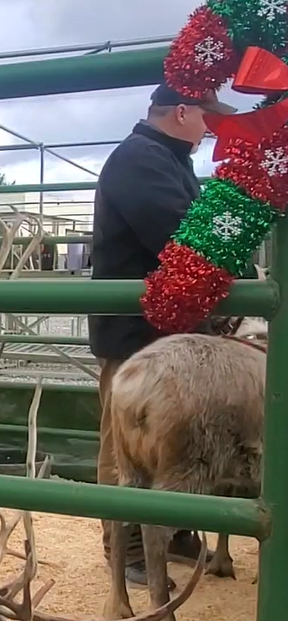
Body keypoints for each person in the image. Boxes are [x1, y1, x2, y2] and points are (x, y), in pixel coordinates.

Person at [89, 83, 236, 587]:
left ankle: (169, 530)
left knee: (177, 435)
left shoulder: (170, 161)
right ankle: (126, 544)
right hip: (137, 334)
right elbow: (180, 234)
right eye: (208, 116)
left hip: (172, 331)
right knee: (127, 439)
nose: (212, 126)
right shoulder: (139, 160)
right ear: (181, 113)